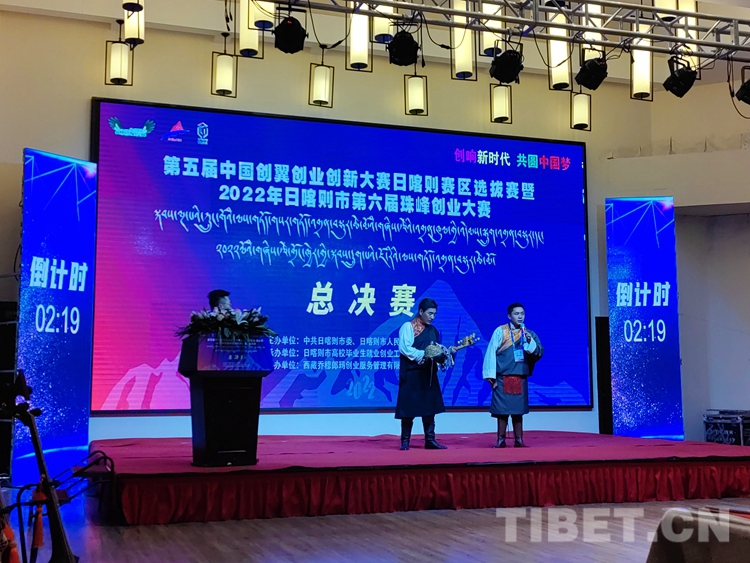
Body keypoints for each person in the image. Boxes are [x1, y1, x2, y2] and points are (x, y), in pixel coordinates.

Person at [482, 302, 544, 448]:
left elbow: (539, 352)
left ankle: (519, 439)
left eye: (522, 313)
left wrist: (529, 341)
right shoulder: (501, 331)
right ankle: (501, 439)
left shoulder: (529, 333)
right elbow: (490, 353)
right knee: (501, 411)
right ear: (509, 316)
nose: (520, 316)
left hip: (520, 377)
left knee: (518, 411)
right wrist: (491, 377)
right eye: (516, 314)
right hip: (502, 378)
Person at [395, 298, 453, 450]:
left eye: (434, 314)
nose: (432, 317)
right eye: (429, 313)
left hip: (428, 375)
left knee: (429, 409)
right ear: (421, 311)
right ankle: (405, 441)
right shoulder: (409, 326)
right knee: (408, 409)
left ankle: (430, 440)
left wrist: (444, 356)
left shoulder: (433, 331)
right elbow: (405, 348)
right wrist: (424, 354)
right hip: (411, 373)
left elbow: (436, 351)